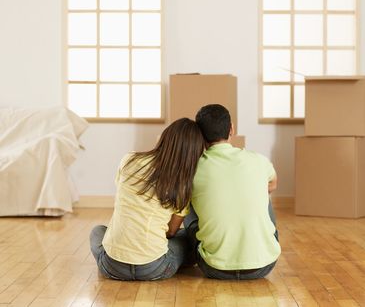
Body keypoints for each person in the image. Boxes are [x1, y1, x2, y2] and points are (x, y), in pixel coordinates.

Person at [90, 118, 205, 281]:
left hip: (112, 267)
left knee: (97, 231)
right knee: (188, 238)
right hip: (155, 268)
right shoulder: (183, 185)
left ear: (164, 137)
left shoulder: (129, 160)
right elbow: (171, 232)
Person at [184, 104, 281, 280]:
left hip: (213, 267)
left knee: (187, 198)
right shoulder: (258, 160)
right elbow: (272, 185)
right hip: (264, 265)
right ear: (232, 129)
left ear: (199, 134)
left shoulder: (192, 169)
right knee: (262, 191)